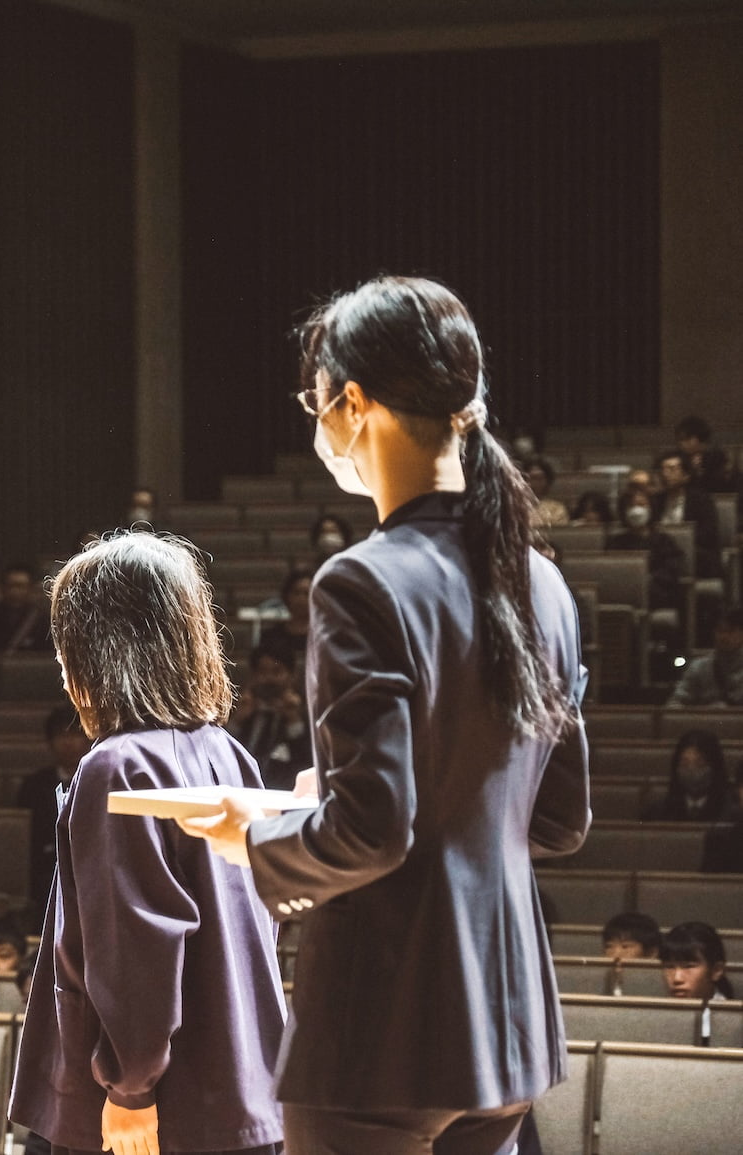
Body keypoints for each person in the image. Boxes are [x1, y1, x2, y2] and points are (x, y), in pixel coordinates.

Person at [177, 276, 589, 1154]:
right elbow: (556, 819)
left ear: (353, 402)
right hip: (507, 1030)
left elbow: (373, 833)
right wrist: (319, 804)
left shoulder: (361, 579)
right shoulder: (543, 584)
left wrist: (253, 840)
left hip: (384, 1032)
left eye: (315, 401)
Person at [10, 531, 285, 1155]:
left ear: (99, 652)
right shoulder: (228, 752)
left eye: (65, 653)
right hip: (239, 1084)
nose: (62, 671)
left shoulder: (117, 766)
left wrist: (130, 1090)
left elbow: (136, 948)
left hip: (157, 1108)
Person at [14, 704, 93, 915]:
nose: (68, 742)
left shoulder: (101, 781)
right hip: (45, 870)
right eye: (60, 735)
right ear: (49, 742)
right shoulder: (33, 785)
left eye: (75, 734)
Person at [227, 636, 313, 792]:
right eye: (262, 672)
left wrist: (294, 721)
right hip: (242, 790)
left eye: (277, 671)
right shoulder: (239, 709)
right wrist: (237, 721)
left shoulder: (306, 712)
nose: (268, 678)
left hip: (285, 792)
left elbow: (307, 763)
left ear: (292, 676)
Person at [607, 485, 685, 611]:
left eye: (641, 505)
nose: (636, 510)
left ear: (651, 508)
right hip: (623, 593)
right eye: (631, 506)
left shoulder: (664, 541)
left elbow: (672, 570)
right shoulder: (615, 542)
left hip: (655, 593)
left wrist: (646, 579)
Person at [651, 449, 721, 578]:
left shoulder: (701, 500)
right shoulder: (656, 500)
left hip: (695, 554)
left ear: (686, 475)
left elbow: (708, 533)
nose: (665, 474)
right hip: (664, 555)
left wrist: (680, 541)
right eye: (663, 469)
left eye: (672, 469)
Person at [642, 730, 737, 822]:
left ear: (715, 767)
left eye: (700, 764)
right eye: (684, 764)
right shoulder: (657, 813)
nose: (692, 770)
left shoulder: (731, 814)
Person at [666, 608, 743, 708]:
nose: (724, 636)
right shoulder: (699, 668)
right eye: (720, 631)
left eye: (731, 631)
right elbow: (675, 703)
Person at [257, 568, 314, 681]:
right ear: (287, 596)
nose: (301, 599)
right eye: (296, 593)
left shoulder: (324, 636)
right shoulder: (271, 635)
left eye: (306, 593)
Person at [659, 922, 734, 1001]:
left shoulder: (731, 1013)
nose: (677, 978)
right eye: (669, 967)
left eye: (689, 966)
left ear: (716, 971)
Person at [675, 415, 735, 495]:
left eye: (685, 439)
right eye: (680, 440)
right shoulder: (679, 458)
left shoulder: (718, 457)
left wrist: (699, 471)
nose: (681, 444)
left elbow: (722, 484)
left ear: (696, 439)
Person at [522, 456, 570, 528]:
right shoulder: (513, 508)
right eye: (530, 478)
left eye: (539, 478)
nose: (534, 483)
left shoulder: (557, 509)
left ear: (547, 481)